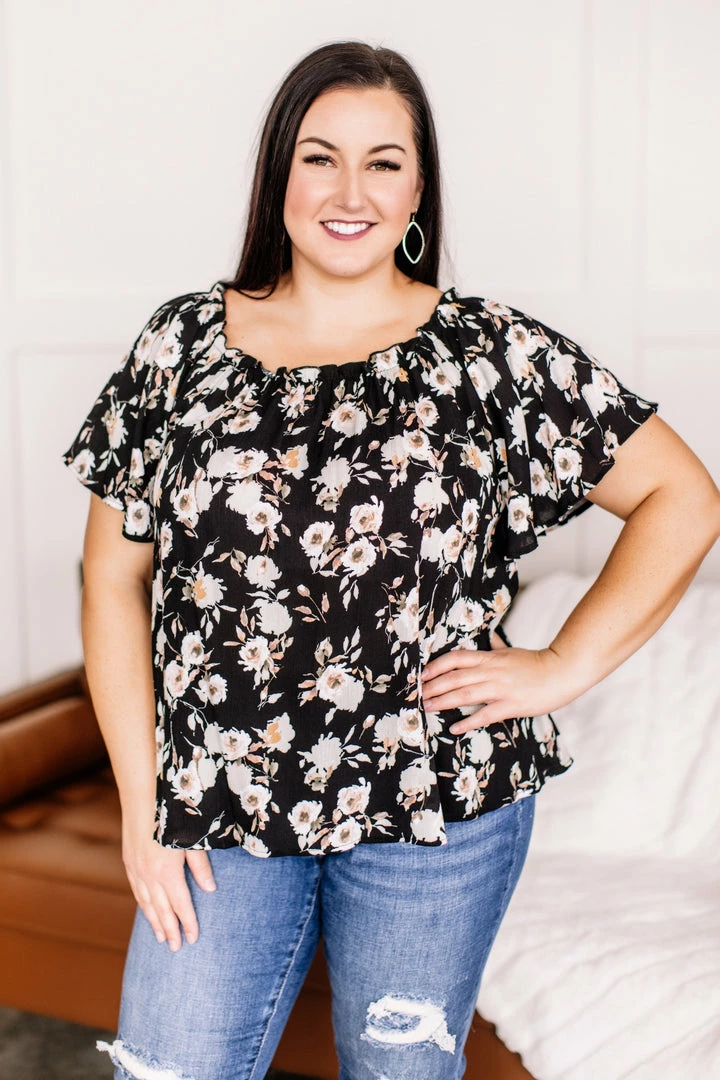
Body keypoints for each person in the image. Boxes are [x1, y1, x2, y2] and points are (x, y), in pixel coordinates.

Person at [61, 39, 720, 1080]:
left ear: (418, 189)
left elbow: (682, 497)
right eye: (320, 158)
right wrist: (146, 807)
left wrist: (561, 667)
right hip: (217, 799)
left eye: (383, 162)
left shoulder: (487, 354)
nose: (349, 192)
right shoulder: (179, 346)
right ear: (278, 175)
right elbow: (111, 577)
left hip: (436, 805)